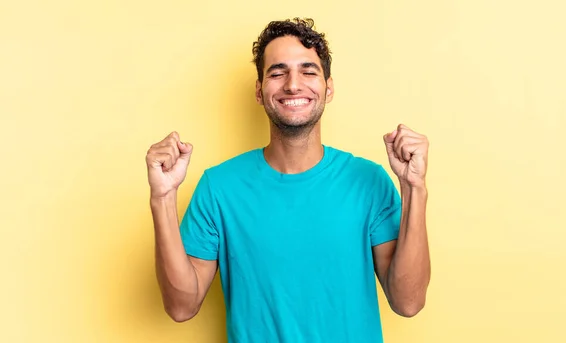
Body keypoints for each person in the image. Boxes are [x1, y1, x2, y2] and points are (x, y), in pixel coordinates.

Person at [145, 17, 431, 343]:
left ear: (329, 87)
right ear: (259, 89)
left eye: (308, 71)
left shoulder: (369, 182)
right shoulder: (218, 188)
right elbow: (181, 307)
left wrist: (414, 188)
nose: (293, 84)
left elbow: (408, 301)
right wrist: (163, 198)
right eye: (278, 72)